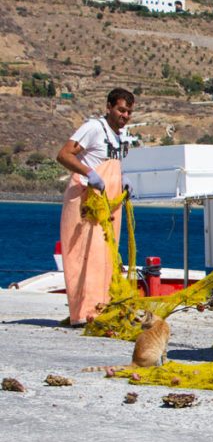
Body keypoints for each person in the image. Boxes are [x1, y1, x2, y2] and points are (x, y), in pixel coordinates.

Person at [55, 87, 134, 326]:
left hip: (108, 205)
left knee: (105, 257)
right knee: (83, 254)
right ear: (109, 107)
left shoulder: (119, 136)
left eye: (129, 112)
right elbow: (64, 155)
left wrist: (123, 181)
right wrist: (89, 173)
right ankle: (82, 312)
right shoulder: (93, 128)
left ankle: (99, 307)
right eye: (121, 109)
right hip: (87, 201)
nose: (125, 115)